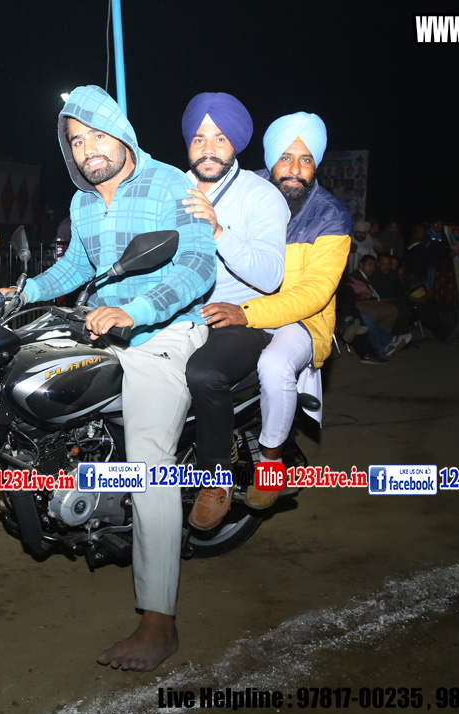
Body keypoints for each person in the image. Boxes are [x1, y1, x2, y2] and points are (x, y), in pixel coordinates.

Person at [3, 86, 216, 672]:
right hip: (102, 328)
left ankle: (159, 621)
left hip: (166, 332)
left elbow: (197, 265)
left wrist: (136, 311)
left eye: (98, 135)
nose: (88, 149)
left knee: (150, 462)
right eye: (76, 141)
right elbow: (76, 266)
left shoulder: (170, 184)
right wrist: (20, 293)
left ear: (122, 133)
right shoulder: (82, 203)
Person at [187, 113, 349, 512]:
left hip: (299, 319)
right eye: (285, 158)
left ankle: (271, 462)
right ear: (270, 159)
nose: (294, 169)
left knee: (274, 365)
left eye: (306, 160)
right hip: (238, 307)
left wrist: (247, 312)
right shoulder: (247, 189)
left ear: (316, 164)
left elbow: (314, 293)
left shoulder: (331, 216)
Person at [179, 92, 289, 530]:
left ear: (236, 143)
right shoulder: (171, 188)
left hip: (243, 316)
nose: (208, 149)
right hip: (179, 314)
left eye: (220, 139)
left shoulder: (261, 196)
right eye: (199, 138)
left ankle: (215, 478)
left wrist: (218, 230)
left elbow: (271, 276)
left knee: (203, 373)